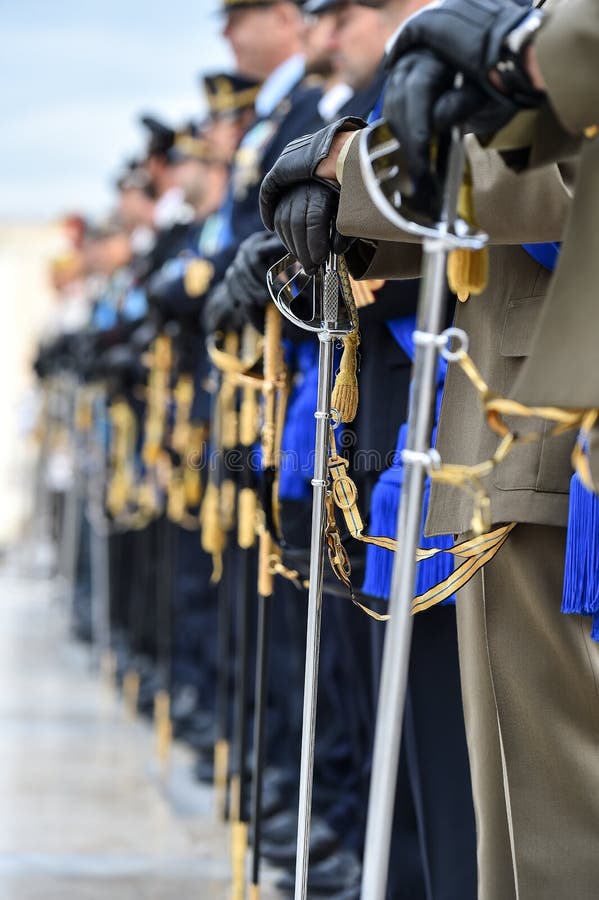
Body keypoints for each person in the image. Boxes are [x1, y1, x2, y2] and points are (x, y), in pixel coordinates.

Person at [258, 0, 599, 897]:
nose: (323, 35)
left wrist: (349, 175)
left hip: (544, 418)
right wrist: (350, 214)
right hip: (527, 411)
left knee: (550, 825)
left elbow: (559, 170)